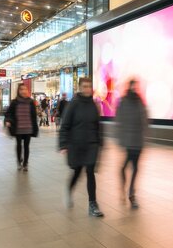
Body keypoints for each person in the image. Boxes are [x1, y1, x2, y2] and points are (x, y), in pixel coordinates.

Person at [59, 78, 104, 217]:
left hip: (91, 144)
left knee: (90, 172)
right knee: (77, 172)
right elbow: (65, 125)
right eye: (84, 86)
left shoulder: (94, 105)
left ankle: (92, 204)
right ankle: (69, 189)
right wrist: (63, 144)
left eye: (89, 86)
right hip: (76, 144)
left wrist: (100, 142)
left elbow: (98, 126)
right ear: (80, 88)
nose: (87, 89)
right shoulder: (73, 104)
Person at [115, 80, 149, 209]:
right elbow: (119, 121)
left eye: (136, 86)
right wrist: (121, 139)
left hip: (138, 141)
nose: (135, 88)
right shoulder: (123, 101)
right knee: (123, 168)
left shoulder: (140, 101)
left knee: (135, 168)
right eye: (132, 86)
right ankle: (125, 189)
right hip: (128, 141)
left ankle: (131, 193)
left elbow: (144, 119)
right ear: (128, 87)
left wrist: (145, 135)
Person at [5, 84, 39, 171]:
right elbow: (9, 113)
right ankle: (19, 161)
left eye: (25, 89)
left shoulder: (31, 102)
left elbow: (34, 116)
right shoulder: (14, 102)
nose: (23, 91)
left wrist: (35, 127)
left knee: (26, 146)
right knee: (19, 145)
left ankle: (25, 163)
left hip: (28, 127)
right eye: (21, 89)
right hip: (18, 127)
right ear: (18, 91)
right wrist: (8, 121)